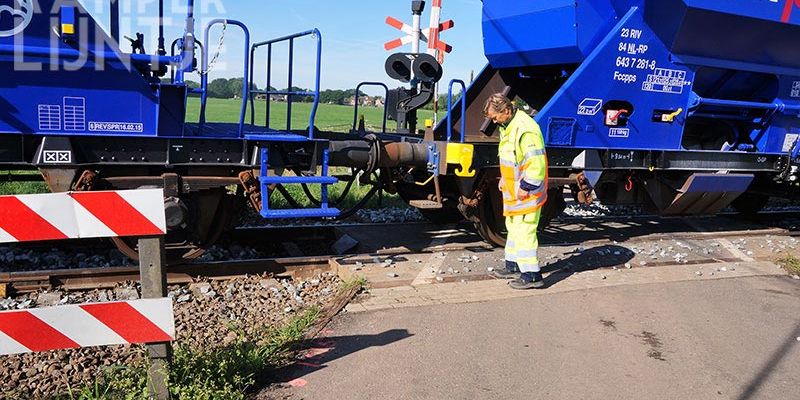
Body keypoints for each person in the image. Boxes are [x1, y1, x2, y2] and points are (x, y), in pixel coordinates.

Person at [483, 94, 548, 289]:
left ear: (506, 111)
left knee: (525, 231)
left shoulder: (525, 129)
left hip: (528, 192)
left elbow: (536, 164)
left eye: (495, 117)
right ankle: (513, 266)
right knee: (513, 227)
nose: (494, 122)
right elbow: (513, 158)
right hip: (514, 190)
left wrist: (526, 186)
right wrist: (505, 178)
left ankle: (532, 276)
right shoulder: (509, 126)